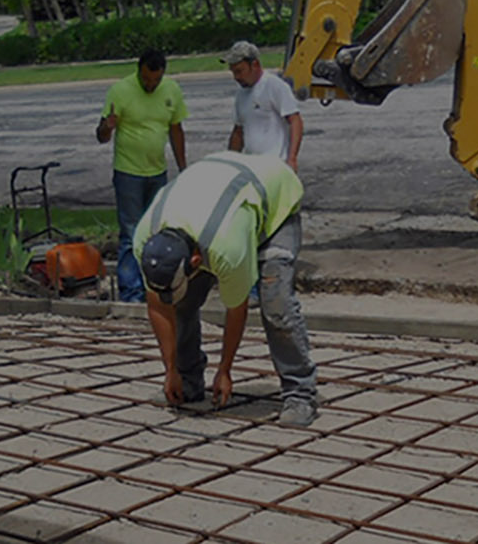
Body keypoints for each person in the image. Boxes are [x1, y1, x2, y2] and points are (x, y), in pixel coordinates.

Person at [135, 151, 317, 426]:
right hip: (220, 193)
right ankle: (188, 381)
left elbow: (236, 308)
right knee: (182, 300)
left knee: (275, 301)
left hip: (274, 198)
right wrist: (170, 370)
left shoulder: (226, 248)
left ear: (195, 261)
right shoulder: (146, 242)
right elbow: (158, 306)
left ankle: (300, 395)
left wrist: (225, 370)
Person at [98, 49, 189, 303]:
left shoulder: (171, 90)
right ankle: (132, 293)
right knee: (130, 232)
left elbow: (176, 130)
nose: (150, 85)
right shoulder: (121, 90)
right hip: (129, 173)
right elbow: (102, 135)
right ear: (139, 70)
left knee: (154, 232)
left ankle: (153, 286)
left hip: (157, 171)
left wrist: (183, 168)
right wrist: (108, 126)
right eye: (146, 79)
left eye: (155, 80)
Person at [222, 41, 303, 171]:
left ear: (255, 65)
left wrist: (292, 158)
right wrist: (230, 162)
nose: (236, 77)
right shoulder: (241, 93)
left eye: (239, 71)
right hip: (251, 167)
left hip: (276, 165)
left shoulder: (275, 86)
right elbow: (238, 131)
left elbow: (295, 120)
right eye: (233, 72)